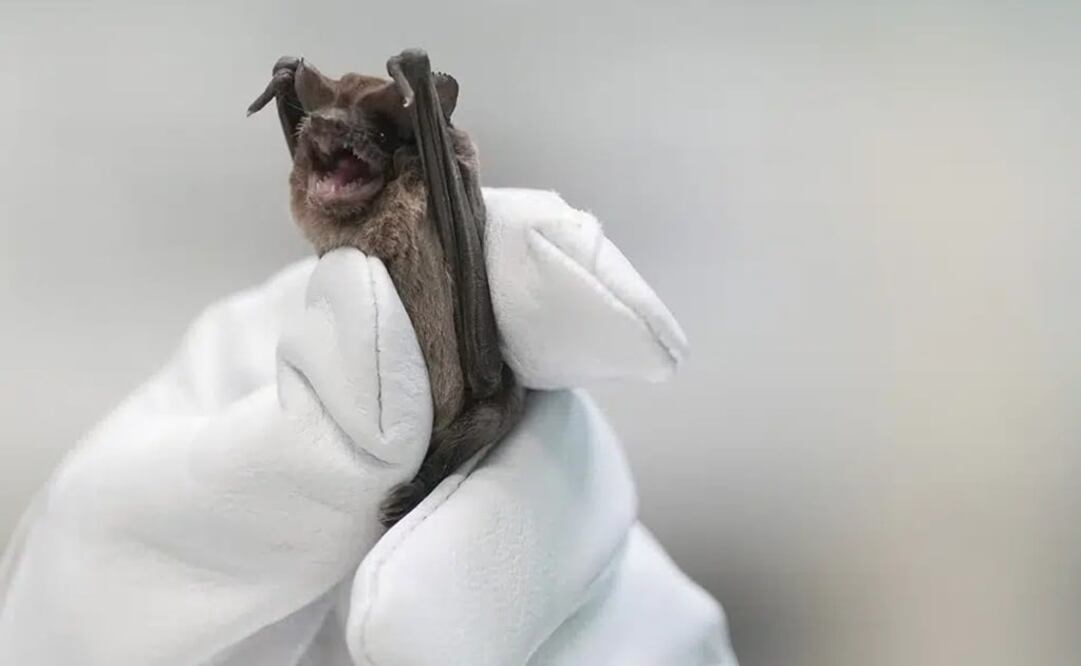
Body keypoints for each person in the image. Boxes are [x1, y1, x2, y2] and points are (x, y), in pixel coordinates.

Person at [0, 188, 738, 665]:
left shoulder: (417, 199)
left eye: (349, 163)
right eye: (317, 162)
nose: (332, 176)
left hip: (465, 409)